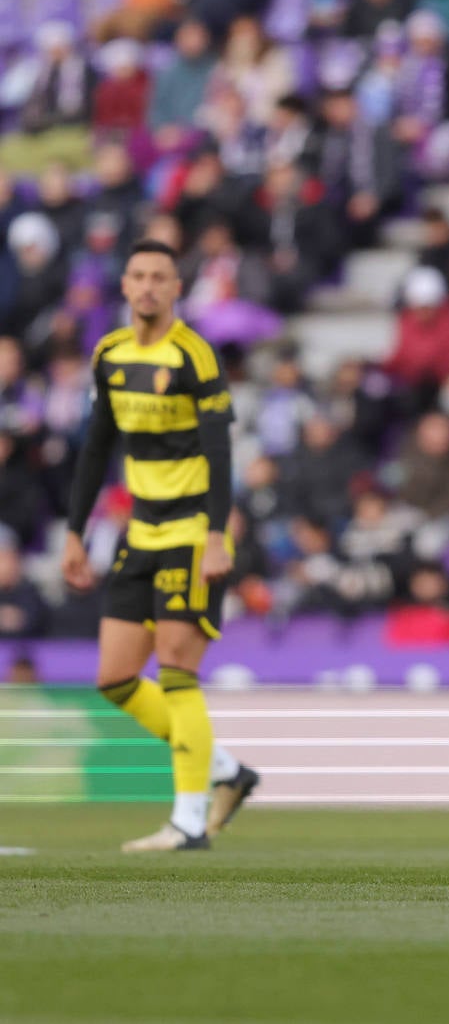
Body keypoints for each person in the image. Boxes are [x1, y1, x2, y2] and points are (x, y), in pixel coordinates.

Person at [62, 239, 259, 852]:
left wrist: (217, 534)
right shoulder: (110, 354)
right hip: (139, 532)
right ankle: (225, 770)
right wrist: (75, 530)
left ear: (177, 289)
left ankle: (189, 821)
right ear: (124, 286)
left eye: (159, 278)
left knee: (177, 672)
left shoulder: (195, 356)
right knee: (116, 678)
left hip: (192, 533)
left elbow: (222, 451)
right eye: (138, 276)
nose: (147, 287)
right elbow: (97, 446)